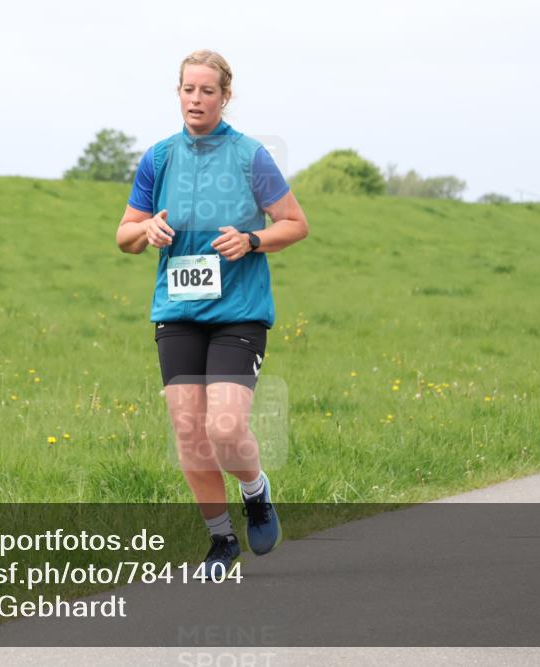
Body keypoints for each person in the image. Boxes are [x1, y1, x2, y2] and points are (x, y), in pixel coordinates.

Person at [116, 50, 309, 576]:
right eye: (188, 90)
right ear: (178, 93)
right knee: (189, 433)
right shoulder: (159, 158)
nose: (196, 99)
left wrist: (252, 239)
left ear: (225, 97)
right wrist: (146, 229)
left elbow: (294, 223)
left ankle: (255, 490)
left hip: (238, 312)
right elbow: (125, 236)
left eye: (207, 91)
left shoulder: (250, 156)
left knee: (224, 429)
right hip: (178, 312)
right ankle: (221, 541)